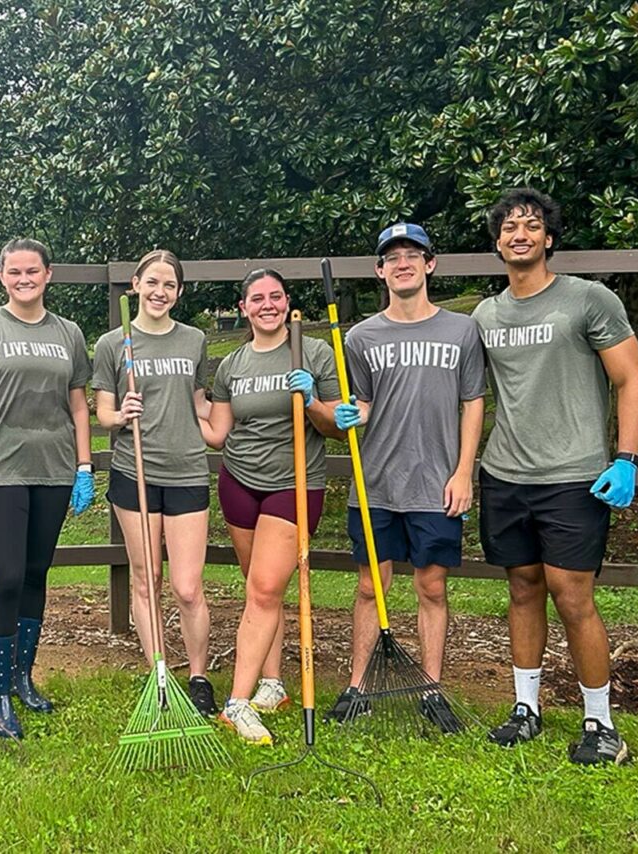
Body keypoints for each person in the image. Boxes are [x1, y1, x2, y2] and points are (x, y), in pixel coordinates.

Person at [473, 188, 638, 765]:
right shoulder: (485, 314)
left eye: (530, 225)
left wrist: (627, 460)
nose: (518, 234)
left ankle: (601, 723)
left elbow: (631, 381)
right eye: (508, 228)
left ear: (548, 238)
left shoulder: (588, 300)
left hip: (574, 476)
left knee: (573, 597)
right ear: (497, 242)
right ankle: (527, 708)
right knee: (522, 588)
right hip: (505, 474)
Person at [323, 223, 486, 731]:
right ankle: (357, 687)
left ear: (430, 264)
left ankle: (431, 689)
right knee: (371, 586)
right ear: (380, 271)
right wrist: (350, 413)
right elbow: (367, 403)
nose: (402, 264)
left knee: (431, 587)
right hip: (376, 482)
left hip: (436, 481)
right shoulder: (361, 336)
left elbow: (472, 403)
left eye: (412, 255)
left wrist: (464, 472)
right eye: (392, 258)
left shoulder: (461, 331)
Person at [0, 238, 95, 739]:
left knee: (37, 573)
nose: (23, 279)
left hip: (54, 466)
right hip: (2, 467)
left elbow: (78, 405)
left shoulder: (69, 333)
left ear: (48, 274)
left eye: (32, 271)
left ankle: (23, 677)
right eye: (14, 272)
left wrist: (84, 465)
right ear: (1, 276)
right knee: (8, 575)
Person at [200, 269, 342, 744]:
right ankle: (273, 684)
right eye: (256, 298)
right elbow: (218, 433)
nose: (267, 305)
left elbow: (335, 427)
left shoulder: (312, 352)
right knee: (261, 591)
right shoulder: (232, 365)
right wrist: (173, 406)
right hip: (238, 482)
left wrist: (313, 400)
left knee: (263, 589)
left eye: (275, 297)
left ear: (287, 302)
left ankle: (236, 704)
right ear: (243, 307)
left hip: (293, 485)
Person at [92, 250, 217, 716]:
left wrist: (231, 421)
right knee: (147, 580)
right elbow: (103, 412)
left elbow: (201, 402)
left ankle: (199, 676)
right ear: (136, 285)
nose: (160, 292)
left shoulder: (195, 340)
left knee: (187, 587)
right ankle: (159, 676)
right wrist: (121, 413)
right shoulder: (113, 343)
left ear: (179, 292)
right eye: (152, 283)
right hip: (135, 471)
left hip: (185, 469)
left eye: (169, 285)